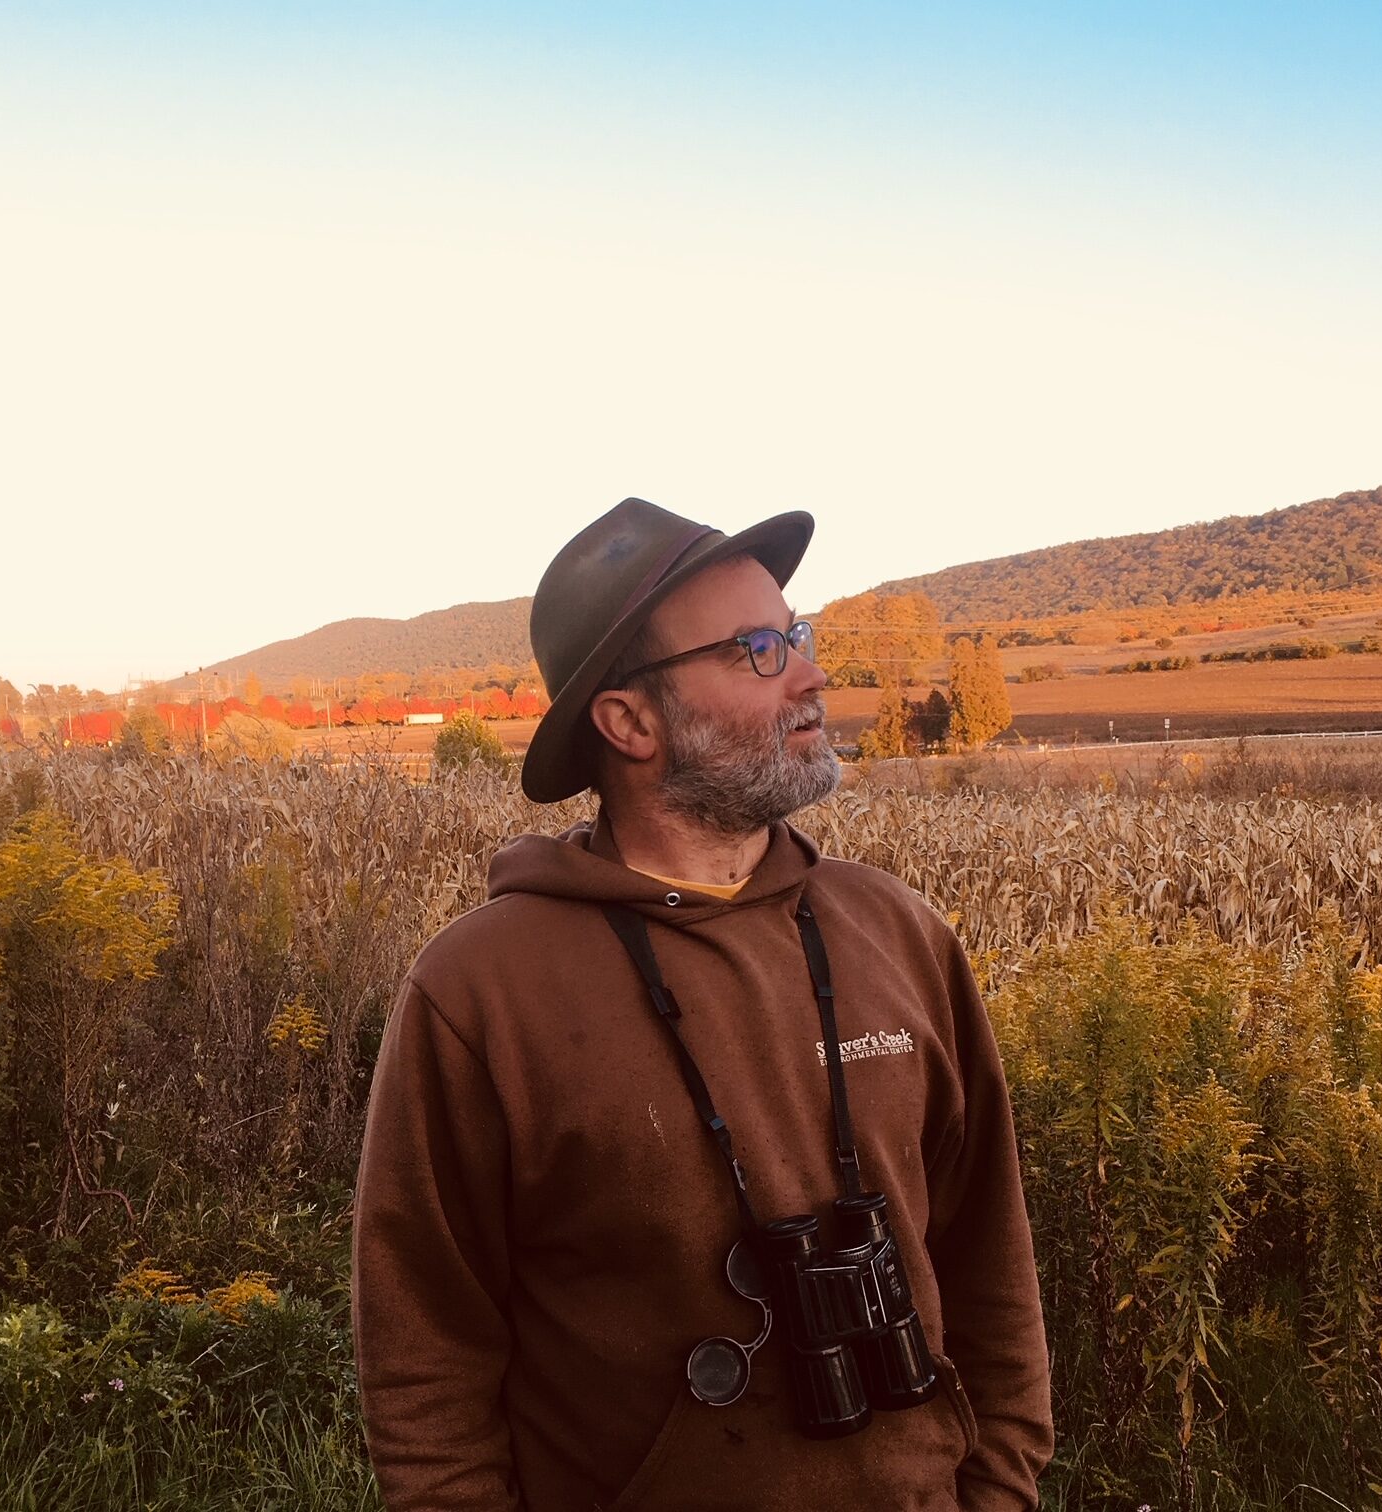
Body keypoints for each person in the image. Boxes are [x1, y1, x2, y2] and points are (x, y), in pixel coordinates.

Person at [353, 498, 1053, 1511]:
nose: (811, 676)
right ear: (629, 721)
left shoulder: (897, 934)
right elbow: (427, 1365)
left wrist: (997, 1492)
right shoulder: (481, 993)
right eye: (758, 651)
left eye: (797, 635)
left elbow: (992, 1264)